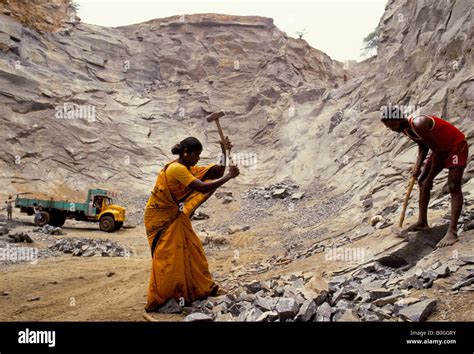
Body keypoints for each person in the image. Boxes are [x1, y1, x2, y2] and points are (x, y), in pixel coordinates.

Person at [144, 136, 239, 312]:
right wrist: (229, 176)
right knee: (169, 259)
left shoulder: (187, 167)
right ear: (185, 153)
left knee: (193, 250)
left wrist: (225, 152)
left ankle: (202, 289)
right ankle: (165, 298)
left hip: (175, 216)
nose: (198, 158)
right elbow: (202, 187)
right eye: (196, 155)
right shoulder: (177, 169)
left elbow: (215, 172)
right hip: (161, 219)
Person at [381, 106, 469, 247]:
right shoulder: (405, 128)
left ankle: (452, 232)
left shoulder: (418, 123)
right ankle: (422, 222)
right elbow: (423, 146)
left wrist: (430, 179)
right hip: (439, 149)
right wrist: (417, 166)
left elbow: (439, 154)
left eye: (391, 125)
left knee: (453, 186)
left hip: (455, 146)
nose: (391, 129)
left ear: (397, 119)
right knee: (421, 180)